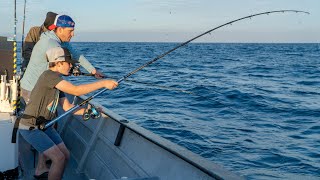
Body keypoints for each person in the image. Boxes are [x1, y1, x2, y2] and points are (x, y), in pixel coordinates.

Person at [19, 47, 118, 180]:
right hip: (31, 127)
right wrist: (103, 83)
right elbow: (76, 90)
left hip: (45, 126)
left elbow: (68, 107)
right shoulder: (49, 76)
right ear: (58, 63)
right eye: (68, 62)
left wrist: (90, 112)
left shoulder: (57, 81)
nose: (71, 66)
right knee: (58, 158)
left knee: (65, 155)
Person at [21, 13, 104, 103]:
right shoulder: (51, 43)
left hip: (45, 86)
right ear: (60, 30)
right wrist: (104, 83)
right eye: (70, 31)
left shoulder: (62, 42)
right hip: (31, 89)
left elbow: (77, 55)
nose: (73, 34)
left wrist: (93, 71)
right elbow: (70, 83)